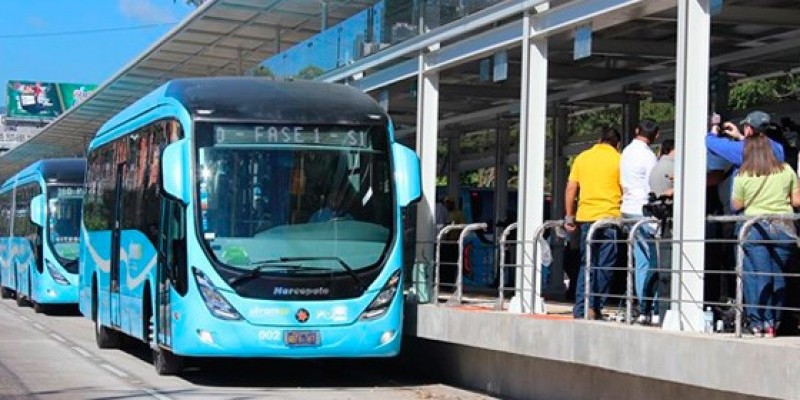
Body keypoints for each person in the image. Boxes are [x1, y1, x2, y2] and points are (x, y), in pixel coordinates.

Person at [731, 116, 800, 338]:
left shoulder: (743, 174)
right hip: (784, 226)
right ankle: (774, 323)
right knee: (778, 274)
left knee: (757, 274)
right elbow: (797, 201)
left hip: (754, 227)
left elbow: (736, 204)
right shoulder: (786, 170)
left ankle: (758, 321)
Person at [564, 127, 622, 319]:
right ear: (617, 144)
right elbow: (625, 188)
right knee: (605, 266)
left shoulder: (583, 158)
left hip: (586, 218)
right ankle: (595, 307)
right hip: (609, 218)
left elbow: (571, 188)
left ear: (599, 140)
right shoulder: (618, 159)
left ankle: (581, 308)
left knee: (586, 264)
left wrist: (569, 216)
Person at [620, 119, 660, 324]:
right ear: (656, 135)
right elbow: (652, 185)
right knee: (652, 261)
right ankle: (651, 306)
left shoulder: (626, 152)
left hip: (627, 207)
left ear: (637, 130)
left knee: (640, 260)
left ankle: (642, 306)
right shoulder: (648, 156)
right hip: (642, 209)